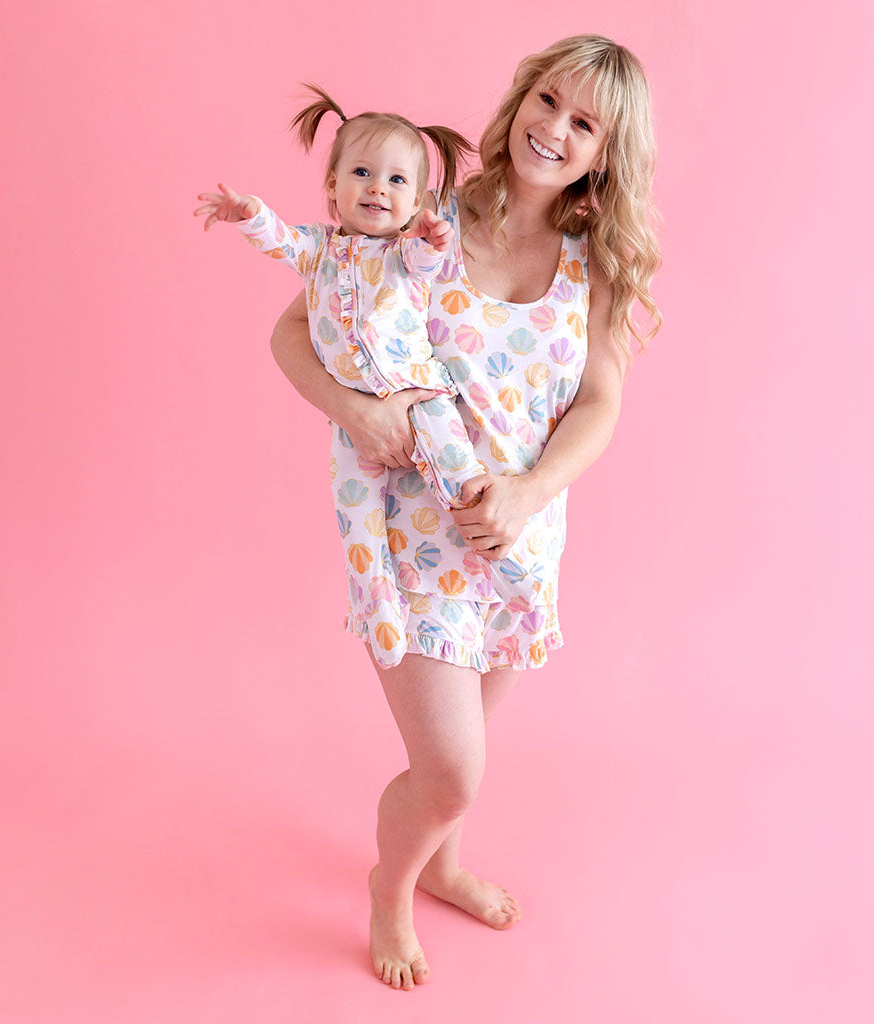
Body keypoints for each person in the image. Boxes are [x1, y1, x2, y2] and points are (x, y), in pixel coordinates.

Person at [270, 35, 661, 990]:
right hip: (414, 544)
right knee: (452, 771)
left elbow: (599, 404)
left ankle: (441, 866)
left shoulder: (595, 263)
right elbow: (292, 331)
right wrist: (357, 411)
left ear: (606, 152)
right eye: (548, 101)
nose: (554, 129)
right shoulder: (419, 215)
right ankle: (391, 888)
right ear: (521, 99)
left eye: (584, 123)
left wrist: (529, 493)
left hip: (517, 542)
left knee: (467, 757)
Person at [196, 89, 544, 614]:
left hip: (422, 397)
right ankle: (375, 605)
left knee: (462, 480)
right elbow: (283, 241)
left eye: (397, 180)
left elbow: (426, 263)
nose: (378, 188)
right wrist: (250, 215)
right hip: (355, 415)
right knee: (356, 515)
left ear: (417, 201)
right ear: (332, 185)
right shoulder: (320, 249)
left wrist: (431, 238)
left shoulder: (403, 253)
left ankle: (508, 568)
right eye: (362, 173)